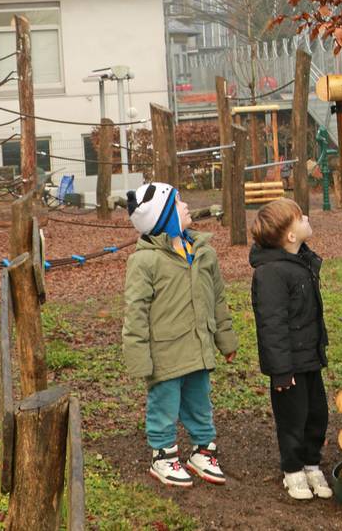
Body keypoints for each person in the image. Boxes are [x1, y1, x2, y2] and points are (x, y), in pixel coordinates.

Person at [122, 182, 238, 488]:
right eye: (178, 203)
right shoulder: (144, 261)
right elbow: (135, 313)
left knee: (200, 401)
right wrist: (138, 358)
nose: (186, 206)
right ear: (162, 218)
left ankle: (203, 450)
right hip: (165, 353)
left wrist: (225, 340)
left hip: (199, 346)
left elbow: (217, 300)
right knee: (164, 404)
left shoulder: (203, 253)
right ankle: (163, 455)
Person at [250, 199, 332, 501]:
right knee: (293, 418)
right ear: (290, 236)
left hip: (310, 358)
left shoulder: (303, 261)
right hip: (289, 367)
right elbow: (271, 325)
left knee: (317, 415)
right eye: (300, 217)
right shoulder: (271, 272)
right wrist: (281, 371)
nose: (306, 217)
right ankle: (293, 470)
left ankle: (312, 464)